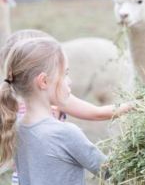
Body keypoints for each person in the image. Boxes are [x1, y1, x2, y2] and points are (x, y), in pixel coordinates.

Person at [0, 29, 133, 185]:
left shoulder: (16, 127)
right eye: (65, 74)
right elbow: (112, 172)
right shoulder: (66, 134)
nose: (69, 81)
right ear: (43, 81)